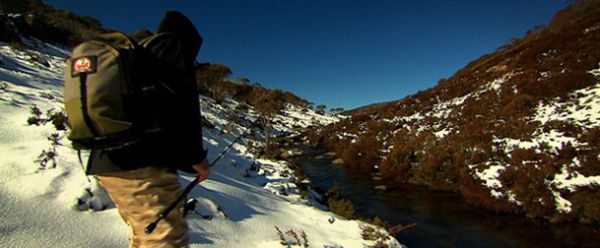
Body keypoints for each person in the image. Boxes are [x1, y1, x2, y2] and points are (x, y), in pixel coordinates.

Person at [87, 11, 210, 248]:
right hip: (139, 167)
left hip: (106, 161)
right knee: (164, 240)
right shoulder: (169, 52)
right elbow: (180, 115)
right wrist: (198, 162)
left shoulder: (132, 56)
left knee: (144, 236)